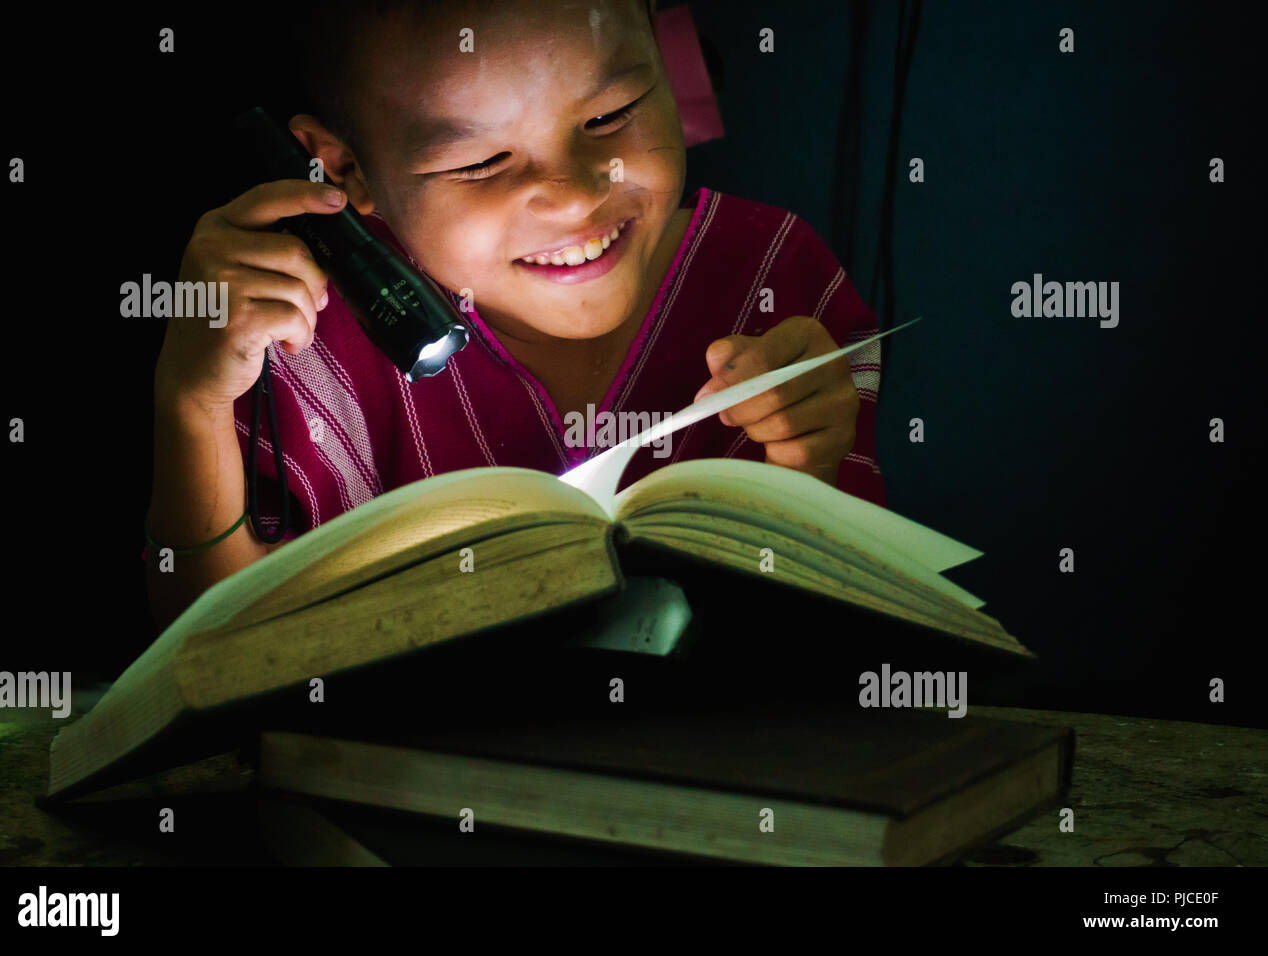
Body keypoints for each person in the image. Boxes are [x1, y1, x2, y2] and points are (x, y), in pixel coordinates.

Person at [144, 0, 886, 629]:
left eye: (610, 115)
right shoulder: (307, 326)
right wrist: (193, 401)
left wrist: (810, 469)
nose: (572, 195)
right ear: (340, 168)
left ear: (676, 67)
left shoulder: (775, 275)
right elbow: (212, 646)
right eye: (481, 163)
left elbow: (854, 627)